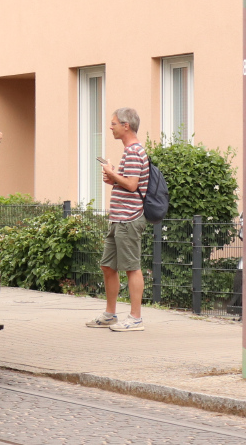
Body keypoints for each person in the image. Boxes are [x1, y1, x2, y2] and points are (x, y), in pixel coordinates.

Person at [88, 107, 150, 333]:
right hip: (119, 219)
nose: (110, 127)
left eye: (114, 123)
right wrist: (113, 178)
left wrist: (112, 174)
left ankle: (135, 318)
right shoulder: (130, 151)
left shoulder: (134, 152)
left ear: (126, 126)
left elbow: (132, 185)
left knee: (132, 268)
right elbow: (128, 183)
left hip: (129, 218)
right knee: (107, 265)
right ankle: (110, 314)